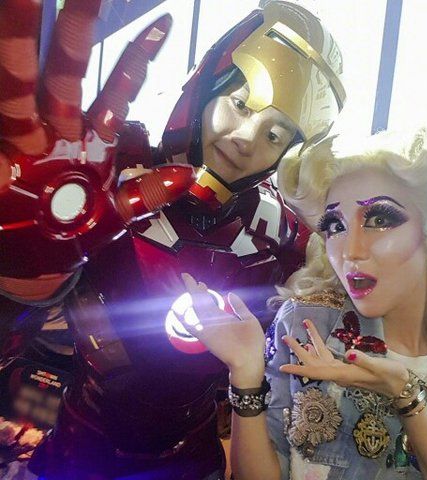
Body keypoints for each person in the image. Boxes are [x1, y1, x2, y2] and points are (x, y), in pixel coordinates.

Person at [26, 1, 346, 479]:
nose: (245, 138)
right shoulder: (105, 171)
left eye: (275, 135)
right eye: (240, 103)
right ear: (207, 84)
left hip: (192, 461)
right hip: (75, 447)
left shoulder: (284, 237)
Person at [180, 126, 427, 479]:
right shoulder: (306, 325)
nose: (350, 251)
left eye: (379, 219)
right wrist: (246, 372)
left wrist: (404, 394)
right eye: (335, 225)